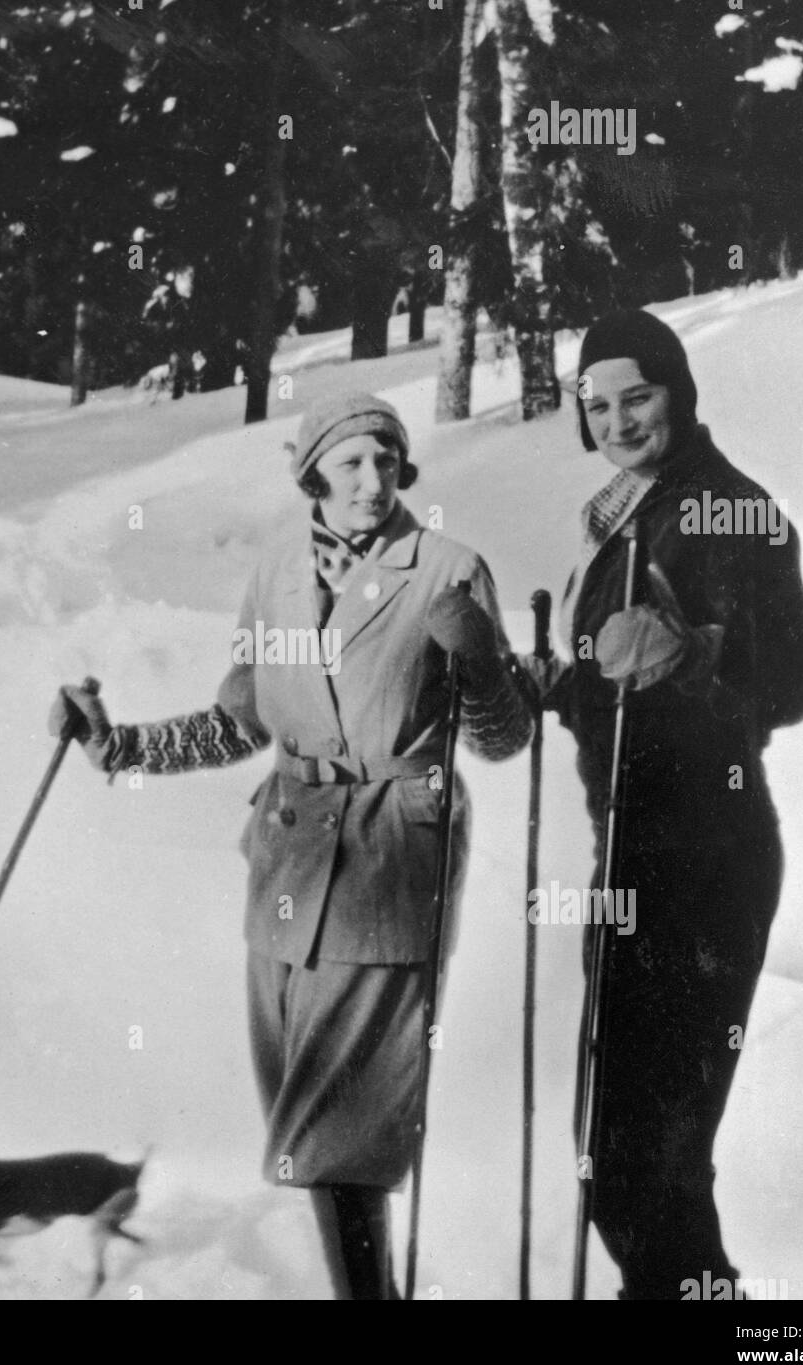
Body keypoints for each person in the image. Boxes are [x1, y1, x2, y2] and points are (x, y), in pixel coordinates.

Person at [49, 392, 532, 1299]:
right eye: (349, 462)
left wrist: (479, 662)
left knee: (344, 1130)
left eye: (386, 461)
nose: (371, 479)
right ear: (312, 473)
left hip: (391, 865)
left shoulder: (447, 569)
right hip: (288, 866)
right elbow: (242, 723)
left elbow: (502, 740)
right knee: (304, 1129)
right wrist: (117, 745)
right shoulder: (276, 573)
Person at [521, 310, 803, 1300]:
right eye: (597, 405)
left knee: (655, 1159)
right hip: (631, 851)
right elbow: (610, 692)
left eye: (637, 397)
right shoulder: (617, 517)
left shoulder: (736, 510)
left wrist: (698, 654)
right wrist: (544, 684)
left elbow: (796, 678)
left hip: (709, 850)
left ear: (677, 394)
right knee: (613, 1154)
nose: (618, 421)